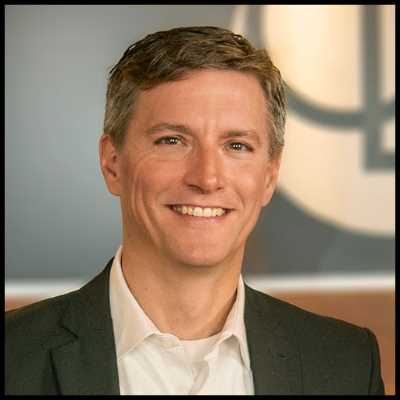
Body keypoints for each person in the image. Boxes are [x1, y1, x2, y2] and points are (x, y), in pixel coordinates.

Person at [5, 26, 384, 395]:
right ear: (112, 162)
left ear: (270, 175)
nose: (207, 178)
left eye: (236, 146)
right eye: (172, 140)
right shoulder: (14, 356)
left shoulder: (347, 364)